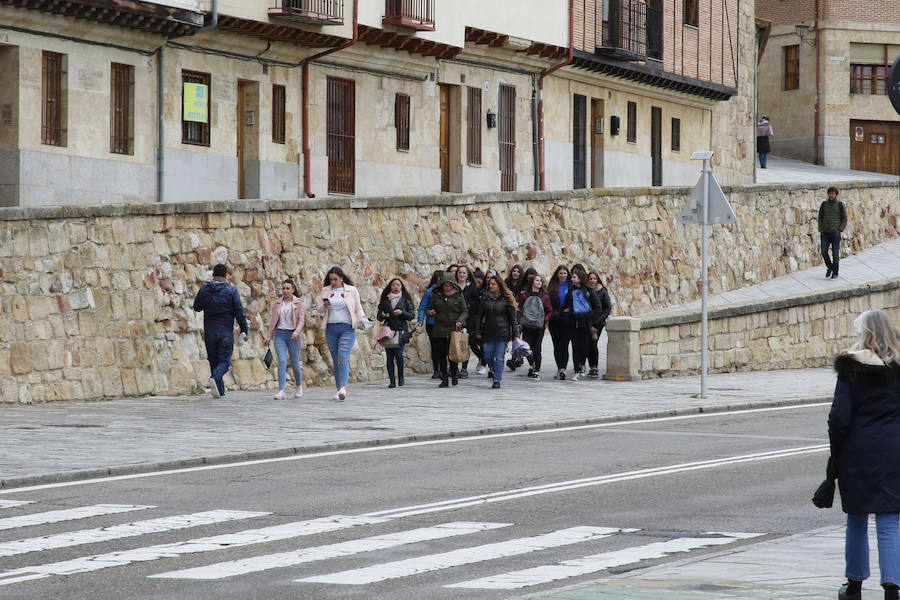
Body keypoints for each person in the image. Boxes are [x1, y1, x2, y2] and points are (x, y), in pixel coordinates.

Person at [828, 310, 900, 600]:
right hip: (895, 451)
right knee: (889, 520)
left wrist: (837, 452)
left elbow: (838, 418)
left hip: (857, 451)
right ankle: (893, 587)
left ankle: (854, 585)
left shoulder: (851, 369)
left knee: (856, 517)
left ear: (864, 333)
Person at [192, 263, 249, 398]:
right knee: (224, 362)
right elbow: (239, 312)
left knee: (213, 360)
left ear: (213, 275)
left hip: (210, 331)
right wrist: (244, 329)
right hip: (225, 332)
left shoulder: (205, 289)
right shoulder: (231, 291)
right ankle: (215, 377)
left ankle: (220, 392)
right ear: (225, 276)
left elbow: (197, 307)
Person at [316, 266, 366, 401]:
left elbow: (358, 308)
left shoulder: (351, 290)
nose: (333, 282)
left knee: (343, 356)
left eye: (335, 279)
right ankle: (339, 389)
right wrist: (325, 306)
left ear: (341, 278)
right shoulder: (326, 291)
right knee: (336, 359)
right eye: (331, 279)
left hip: (347, 328)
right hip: (331, 328)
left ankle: (343, 387)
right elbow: (319, 309)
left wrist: (364, 321)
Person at [264, 279, 305, 400]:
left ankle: (298, 386)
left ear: (293, 290)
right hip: (280, 334)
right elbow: (273, 321)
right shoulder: (278, 303)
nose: (285, 291)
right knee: (282, 362)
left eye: (288, 288)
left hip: (293, 335)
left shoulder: (299, 303)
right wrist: (269, 336)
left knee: (295, 363)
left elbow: (302, 320)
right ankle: (281, 390)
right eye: (283, 288)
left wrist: (297, 332)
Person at [475, 275, 519, 389]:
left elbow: (513, 319)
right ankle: (495, 369)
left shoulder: (506, 299)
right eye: (489, 284)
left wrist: (516, 334)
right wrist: (477, 330)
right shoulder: (485, 298)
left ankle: (497, 379)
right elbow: (480, 316)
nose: (491, 286)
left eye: (493, 284)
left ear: (499, 285)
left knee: (499, 357)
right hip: (488, 332)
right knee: (487, 355)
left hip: (502, 332)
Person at [561, 265, 603, 381]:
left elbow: (597, 307)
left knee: (584, 347)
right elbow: (566, 306)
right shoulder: (571, 291)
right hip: (573, 323)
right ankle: (577, 369)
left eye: (574, 277)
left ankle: (582, 363)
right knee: (575, 347)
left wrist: (591, 319)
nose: (572, 279)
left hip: (585, 324)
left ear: (579, 278)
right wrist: (566, 313)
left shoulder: (589, 291)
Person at [426, 272, 468, 388]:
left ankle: (454, 373)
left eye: (450, 285)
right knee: (441, 355)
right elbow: (428, 309)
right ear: (442, 286)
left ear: (454, 285)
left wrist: (460, 320)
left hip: (453, 328)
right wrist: (430, 313)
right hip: (439, 328)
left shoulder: (459, 295)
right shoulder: (436, 295)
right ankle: (444, 378)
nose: (448, 288)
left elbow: (464, 311)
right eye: (445, 285)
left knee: (452, 354)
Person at [377, 278, 415, 388]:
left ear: (401, 287)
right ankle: (392, 380)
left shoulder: (405, 300)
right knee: (389, 356)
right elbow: (379, 316)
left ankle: (401, 376)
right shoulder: (385, 300)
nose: (396, 287)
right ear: (390, 287)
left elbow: (411, 315)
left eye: (398, 285)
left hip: (401, 331)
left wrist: (402, 312)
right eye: (394, 285)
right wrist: (383, 315)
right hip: (388, 331)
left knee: (398, 355)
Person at [518, 273, 552, 380]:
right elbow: (519, 309)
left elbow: (550, 311)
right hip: (527, 326)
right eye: (537, 280)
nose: (539, 282)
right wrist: (519, 321)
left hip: (539, 327)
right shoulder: (525, 296)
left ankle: (537, 370)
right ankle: (532, 364)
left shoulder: (545, 297)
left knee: (537, 348)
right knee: (526, 348)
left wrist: (544, 321)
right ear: (532, 282)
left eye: (540, 281)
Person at [417, 270, 444, 379]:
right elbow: (423, 307)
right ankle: (436, 370)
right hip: (432, 323)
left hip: (444, 323)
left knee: (443, 347)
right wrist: (420, 321)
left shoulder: (449, 292)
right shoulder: (429, 292)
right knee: (435, 346)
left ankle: (443, 369)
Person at [546, 264, 571, 380]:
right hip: (554, 319)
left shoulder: (571, 286)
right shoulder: (552, 287)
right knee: (556, 345)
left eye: (565, 273)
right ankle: (559, 368)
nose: (562, 275)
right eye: (561, 273)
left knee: (564, 344)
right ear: (557, 274)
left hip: (567, 319)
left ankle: (563, 369)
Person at [586, 271, 612, 379]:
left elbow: (607, 308)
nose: (592, 281)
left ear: (597, 280)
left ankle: (594, 366)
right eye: (590, 279)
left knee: (593, 344)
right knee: (586, 345)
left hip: (598, 323)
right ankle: (589, 365)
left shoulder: (602, 292)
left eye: (594, 279)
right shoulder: (585, 292)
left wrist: (599, 320)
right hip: (587, 322)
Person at [819, 186, 847, 280]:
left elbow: (844, 218)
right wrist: (820, 228)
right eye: (830, 193)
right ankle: (829, 267)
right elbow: (820, 217)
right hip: (825, 233)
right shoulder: (824, 204)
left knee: (835, 254)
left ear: (836, 195)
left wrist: (840, 229)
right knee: (823, 251)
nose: (831, 195)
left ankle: (835, 272)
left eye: (833, 193)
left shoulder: (840, 205)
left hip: (835, 233)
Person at [464, 268, 487, 375]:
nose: (477, 284)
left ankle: (484, 362)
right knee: (472, 343)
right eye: (476, 281)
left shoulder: (484, 292)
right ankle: (482, 358)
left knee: (482, 344)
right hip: (472, 320)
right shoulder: (471, 289)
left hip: (482, 321)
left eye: (479, 282)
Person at [453, 265, 474, 379]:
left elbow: (477, 302)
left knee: (464, 345)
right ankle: (454, 367)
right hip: (454, 320)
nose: (461, 275)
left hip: (468, 320)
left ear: (467, 275)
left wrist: (469, 305)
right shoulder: (453, 287)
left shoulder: (472, 288)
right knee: (454, 343)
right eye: (460, 272)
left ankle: (464, 368)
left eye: (464, 273)